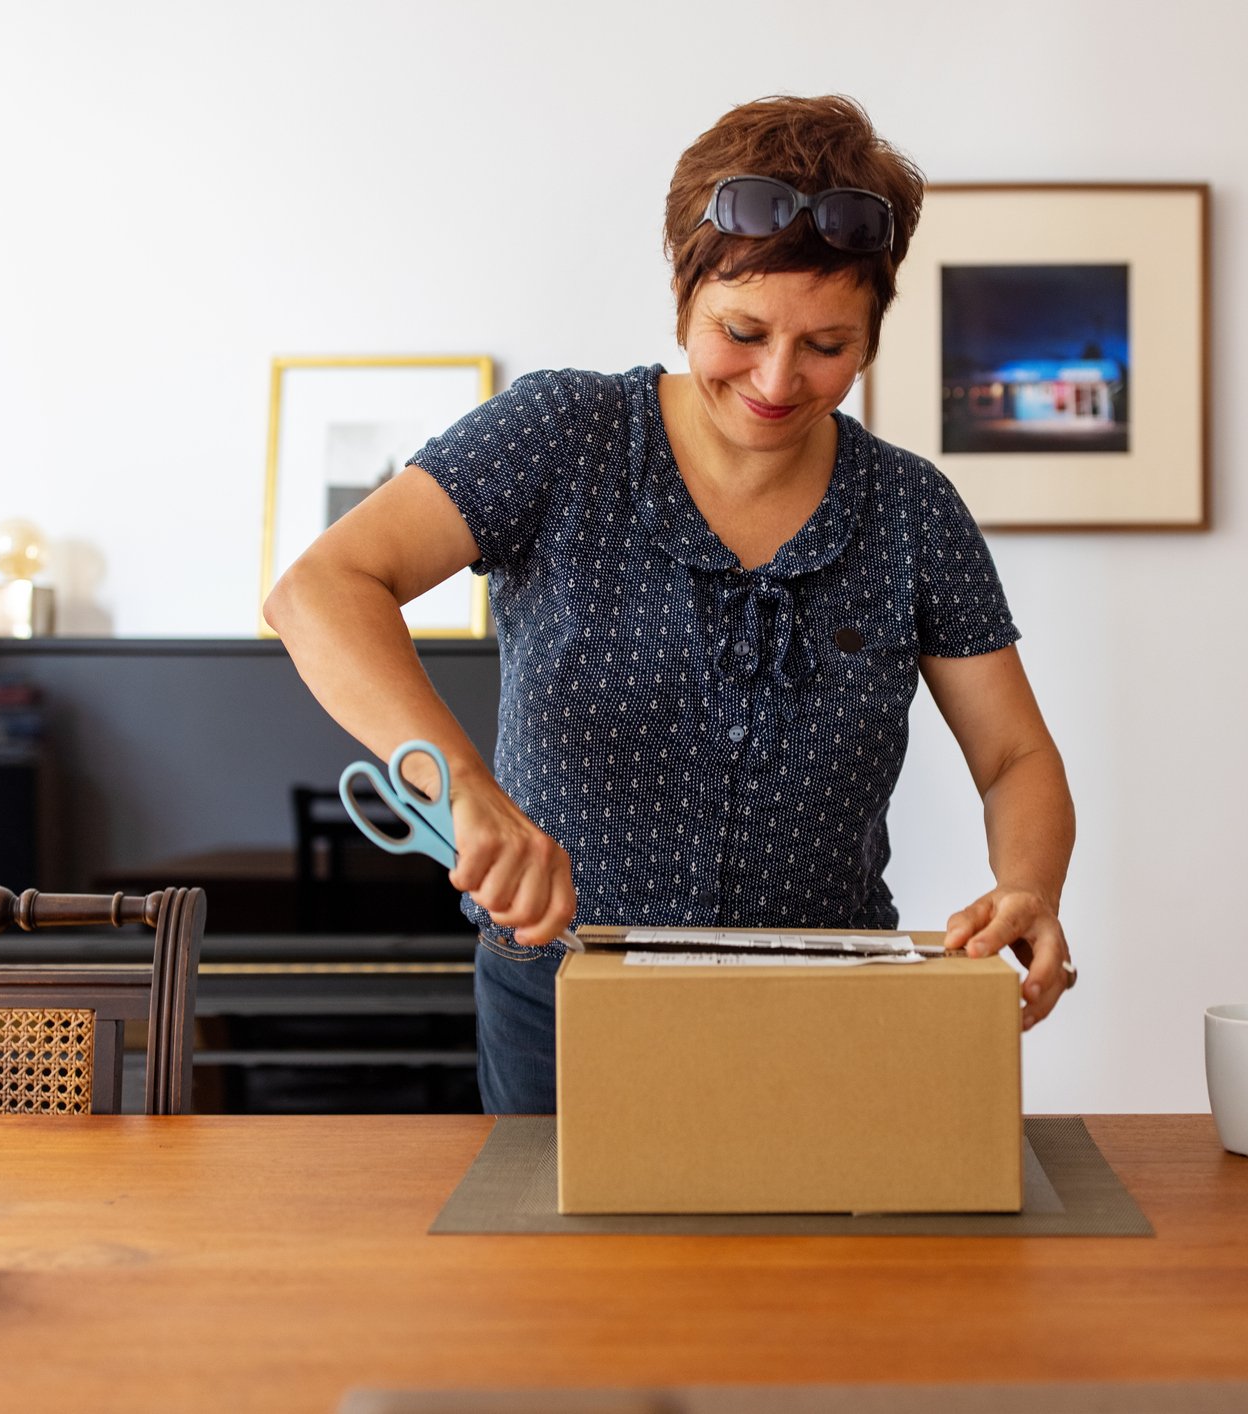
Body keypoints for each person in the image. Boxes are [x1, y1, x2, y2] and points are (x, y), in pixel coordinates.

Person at [264, 94, 1076, 1115]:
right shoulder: (562, 434)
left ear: (871, 335)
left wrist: (1029, 888)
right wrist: (462, 786)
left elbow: (1015, 757)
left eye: (827, 345)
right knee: (557, 1232)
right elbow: (319, 589)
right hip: (561, 1005)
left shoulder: (912, 509)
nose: (777, 379)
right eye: (742, 331)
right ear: (683, 291)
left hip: (826, 1016)